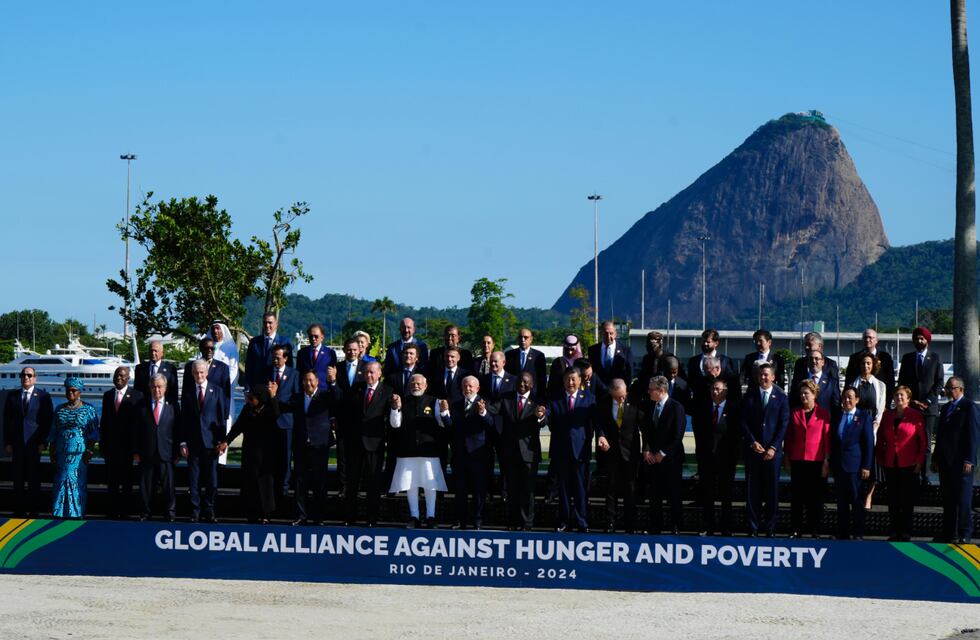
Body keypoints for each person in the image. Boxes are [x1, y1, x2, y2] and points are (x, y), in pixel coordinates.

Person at [489, 372, 547, 530]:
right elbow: (492, 409)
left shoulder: (537, 402)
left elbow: (543, 422)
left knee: (528, 491)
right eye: (520, 382)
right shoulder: (506, 398)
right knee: (512, 490)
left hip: (529, 454)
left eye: (526, 382)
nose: (522, 385)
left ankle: (527, 523)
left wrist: (540, 416)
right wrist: (481, 408)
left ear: (532, 384)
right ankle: (512, 522)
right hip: (509, 453)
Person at [337, 361, 392, 527]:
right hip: (355, 443)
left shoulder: (387, 391)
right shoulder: (357, 388)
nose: (369, 375)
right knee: (352, 483)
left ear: (379, 374)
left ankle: (371, 519)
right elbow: (347, 412)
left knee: (373, 482)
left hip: (374, 443)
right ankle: (349, 517)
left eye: (372, 372)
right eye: (367, 372)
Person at [389, 374, 447, 528]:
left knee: (430, 483)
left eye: (419, 383)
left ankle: (430, 516)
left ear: (425, 385)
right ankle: (414, 516)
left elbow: (442, 423)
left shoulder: (434, 401)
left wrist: (443, 412)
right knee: (411, 484)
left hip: (428, 450)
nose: (416, 385)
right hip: (408, 450)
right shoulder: (402, 401)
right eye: (413, 383)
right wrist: (395, 408)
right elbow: (395, 424)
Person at [740, 362, 789, 536]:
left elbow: (783, 425)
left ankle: (770, 528)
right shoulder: (750, 396)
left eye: (767, 375)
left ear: (773, 377)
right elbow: (743, 422)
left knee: (772, 492)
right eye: (761, 375)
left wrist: (774, 447)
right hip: (753, 451)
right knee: (752, 491)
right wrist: (752, 442)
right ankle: (753, 527)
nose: (763, 377)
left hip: (772, 454)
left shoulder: (782, 397)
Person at [217, 387, 280, 523]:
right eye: (248, 398)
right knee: (249, 484)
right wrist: (226, 441)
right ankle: (251, 513)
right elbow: (238, 427)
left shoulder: (269, 409)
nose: (249, 401)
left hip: (265, 455)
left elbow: (276, 415)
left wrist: (273, 396)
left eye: (252, 398)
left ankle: (265, 514)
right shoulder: (247, 410)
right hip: (249, 453)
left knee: (265, 486)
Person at [545, 368, 596, 533]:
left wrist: (601, 436)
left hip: (580, 452)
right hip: (561, 452)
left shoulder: (589, 398)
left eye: (574, 379)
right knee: (564, 490)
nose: (571, 382)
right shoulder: (555, 399)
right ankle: (564, 521)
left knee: (581, 489)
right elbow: (547, 416)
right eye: (568, 379)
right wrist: (541, 415)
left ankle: (582, 522)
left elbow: (596, 422)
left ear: (580, 380)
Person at [442, 376, 493, 529]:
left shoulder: (484, 402)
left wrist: (483, 412)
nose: (467, 389)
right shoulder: (456, 405)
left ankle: (477, 520)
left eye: (470, 386)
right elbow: (451, 428)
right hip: (460, 455)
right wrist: (445, 414)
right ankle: (460, 520)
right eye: (465, 386)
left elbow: (491, 424)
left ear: (477, 388)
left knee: (478, 491)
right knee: (460, 491)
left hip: (478, 455)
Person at [180, 359, 228, 522]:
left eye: (201, 372)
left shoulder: (218, 391)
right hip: (193, 443)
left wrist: (223, 441)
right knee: (194, 481)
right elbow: (183, 420)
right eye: (196, 372)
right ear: (192, 373)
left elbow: (221, 419)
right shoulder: (187, 394)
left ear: (207, 373)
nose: (199, 375)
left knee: (212, 481)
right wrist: (183, 442)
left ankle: (210, 510)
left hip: (212, 443)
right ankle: (195, 511)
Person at [877, 385, 927, 541]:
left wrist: (919, 462)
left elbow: (923, 442)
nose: (899, 398)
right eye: (896, 395)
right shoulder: (887, 416)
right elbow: (880, 439)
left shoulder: (916, 416)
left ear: (908, 398)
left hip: (909, 464)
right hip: (890, 464)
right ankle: (894, 530)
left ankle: (905, 531)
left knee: (906, 500)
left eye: (902, 395)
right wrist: (880, 458)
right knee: (893, 500)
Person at [932, 376, 979, 543]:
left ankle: (965, 532)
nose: (948, 390)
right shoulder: (945, 409)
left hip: (962, 462)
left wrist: (969, 459)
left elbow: (973, 436)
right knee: (948, 498)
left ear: (961, 389)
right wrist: (936, 457)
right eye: (947, 387)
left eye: (951, 388)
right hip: (946, 461)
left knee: (963, 499)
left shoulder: (969, 407)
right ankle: (949, 531)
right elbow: (940, 436)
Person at [595, 379, 645, 533]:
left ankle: (630, 524)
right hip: (611, 452)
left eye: (623, 396)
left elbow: (645, 426)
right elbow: (599, 423)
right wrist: (601, 436)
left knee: (630, 489)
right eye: (617, 397)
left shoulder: (636, 401)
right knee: (611, 489)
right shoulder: (604, 402)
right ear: (611, 393)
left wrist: (647, 448)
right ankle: (610, 523)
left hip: (631, 452)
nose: (621, 399)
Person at [692, 378, 740, 536]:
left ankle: (726, 527)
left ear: (725, 391)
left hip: (726, 459)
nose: (715, 392)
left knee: (726, 495)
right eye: (713, 389)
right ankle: (709, 526)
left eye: (718, 389)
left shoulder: (734, 410)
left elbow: (736, 436)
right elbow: (698, 433)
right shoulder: (702, 408)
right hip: (707, 459)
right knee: (708, 494)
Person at [4, 367, 53, 517]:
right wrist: (7, 442)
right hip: (17, 444)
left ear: (35, 378)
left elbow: (47, 421)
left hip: (34, 444)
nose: (26, 377)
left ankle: (33, 510)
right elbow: (6, 421)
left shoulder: (43, 397)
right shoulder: (12, 396)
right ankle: (18, 510)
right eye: (23, 375)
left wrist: (43, 442)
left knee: (33, 478)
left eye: (29, 375)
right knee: (17, 479)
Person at [47, 377, 99, 519]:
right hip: (61, 453)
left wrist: (89, 450)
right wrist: (51, 451)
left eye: (73, 390)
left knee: (76, 482)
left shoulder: (88, 409)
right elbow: (53, 431)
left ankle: (76, 513)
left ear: (79, 392)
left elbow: (93, 433)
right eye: (68, 390)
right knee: (60, 482)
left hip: (79, 454)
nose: (70, 393)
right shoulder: (59, 409)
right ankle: (58, 513)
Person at [897, 327, 944, 483]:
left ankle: (926, 475)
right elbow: (902, 382)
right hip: (911, 407)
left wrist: (928, 401)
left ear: (927, 340)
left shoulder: (936, 358)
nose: (919, 341)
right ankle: (912, 473)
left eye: (922, 338)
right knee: (910, 440)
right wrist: (911, 401)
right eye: (916, 338)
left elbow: (939, 383)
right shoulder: (907, 358)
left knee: (927, 443)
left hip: (929, 408)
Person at [784, 380, 831, 538]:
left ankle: (815, 529)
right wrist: (787, 458)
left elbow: (826, 439)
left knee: (815, 498)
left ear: (814, 395)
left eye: (807, 393)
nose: (803, 396)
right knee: (797, 497)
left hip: (816, 462)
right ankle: (795, 528)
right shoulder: (795, 412)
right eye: (801, 393)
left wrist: (826, 461)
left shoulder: (823, 414)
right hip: (798, 460)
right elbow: (789, 437)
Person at [642, 375, 687, 535]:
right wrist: (646, 449)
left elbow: (678, 434)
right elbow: (646, 430)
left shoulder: (676, 407)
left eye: (651, 389)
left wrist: (663, 453)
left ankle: (676, 525)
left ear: (661, 390)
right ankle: (655, 525)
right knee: (655, 495)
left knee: (673, 494)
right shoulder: (650, 406)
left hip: (671, 460)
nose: (648, 392)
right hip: (653, 459)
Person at [292, 370, 335, 526]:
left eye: (311, 380)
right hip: (301, 445)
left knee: (319, 483)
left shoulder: (325, 396)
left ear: (317, 381)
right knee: (300, 482)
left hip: (319, 446)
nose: (308, 383)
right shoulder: (297, 398)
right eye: (305, 380)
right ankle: (301, 516)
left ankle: (319, 517)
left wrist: (333, 382)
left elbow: (337, 398)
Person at [831, 387, 875, 539]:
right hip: (839, 466)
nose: (847, 400)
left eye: (850, 397)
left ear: (857, 399)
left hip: (856, 467)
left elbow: (869, 443)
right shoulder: (837, 416)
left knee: (856, 502)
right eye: (844, 397)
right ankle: (842, 533)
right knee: (841, 503)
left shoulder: (863, 416)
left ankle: (858, 533)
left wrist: (867, 466)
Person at [100, 366, 144, 518]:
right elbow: (104, 422)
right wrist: (103, 445)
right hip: (111, 447)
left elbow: (139, 424)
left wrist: (137, 448)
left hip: (128, 448)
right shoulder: (107, 395)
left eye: (122, 376)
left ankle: (125, 512)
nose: (119, 378)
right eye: (116, 375)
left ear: (128, 378)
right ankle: (111, 511)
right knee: (112, 482)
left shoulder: (138, 396)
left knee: (127, 482)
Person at [136, 374, 179, 522]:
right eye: (154, 386)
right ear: (150, 387)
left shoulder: (173, 405)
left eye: (160, 386)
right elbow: (135, 430)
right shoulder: (141, 405)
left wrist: (177, 451)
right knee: (146, 486)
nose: (157, 389)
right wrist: (136, 451)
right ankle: (145, 513)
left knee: (168, 486)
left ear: (165, 388)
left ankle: (170, 513)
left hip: (166, 452)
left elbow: (177, 430)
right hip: (146, 452)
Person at [848, 351, 886, 510]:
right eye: (863, 363)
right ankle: (856, 495)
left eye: (869, 363)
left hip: (873, 424)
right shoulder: (853, 384)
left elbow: (881, 407)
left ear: (873, 365)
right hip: (857, 423)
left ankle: (869, 495)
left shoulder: (880, 385)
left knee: (873, 463)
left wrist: (876, 425)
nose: (866, 366)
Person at [266, 345, 301, 497]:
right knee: (270, 456)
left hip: (287, 422)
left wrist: (276, 399)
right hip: (269, 423)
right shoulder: (266, 373)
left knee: (286, 456)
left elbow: (296, 399)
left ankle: (284, 487)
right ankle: (271, 487)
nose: (275, 360)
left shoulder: (294, 374)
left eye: (278, 358)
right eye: (273, 357)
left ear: (286, 358)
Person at [207, 321, 240, 460]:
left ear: (223, 331)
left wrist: (223, 387)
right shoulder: (207, 346)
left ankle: (221, 460)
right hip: (207, 393)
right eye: (213, 329)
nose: (216, 332)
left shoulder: (230, 347)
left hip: (224, 393)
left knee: (223, 424)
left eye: (218, 329)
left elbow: (233, 370)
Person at [845, 328, 896, 406]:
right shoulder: (854, 358)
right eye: (865, 337)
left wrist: (887, 403)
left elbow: (890, 382)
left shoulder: (886, 358)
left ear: (876, 340)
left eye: (870, 337)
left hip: (880, 401)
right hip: (859, 402)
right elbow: (849, 380)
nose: (867, 340)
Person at [244, 313, 294, 391]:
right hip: (257, 388)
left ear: (276, 324)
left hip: (278, 387)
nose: (267, 325)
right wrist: (247, 388)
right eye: (265, 322)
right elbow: (249, 367)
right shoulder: (254, 342)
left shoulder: (285, 342)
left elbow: (290, 367)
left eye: (270, 323)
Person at [687, 329, 736, 395]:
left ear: (716, 343)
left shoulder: (725, 361)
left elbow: (732, 382)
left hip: (719, 400)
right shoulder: (693, 361)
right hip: (699, 401)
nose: (705, 344)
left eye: (708, 342)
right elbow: (690, 382)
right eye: (703, 341)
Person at [504, 328, 548, 401]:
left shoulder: (539, 356)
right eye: (520, 337)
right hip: (513, 397)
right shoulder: (509, 355)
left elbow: (542, 379)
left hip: (532, 397)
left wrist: (541, 398)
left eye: (525, 337)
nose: (523, 340)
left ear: (531, 339)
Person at [588, 321, 633, 390]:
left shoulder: (625, 350)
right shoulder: (593, 350)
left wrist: (626, 390)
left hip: (618, 392)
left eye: (611, 333)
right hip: (598, 392)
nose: (608, 336)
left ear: (615, 334)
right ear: (601, 334)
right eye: (606, 333)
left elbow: (629, 373)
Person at [634, 331, 681, 396]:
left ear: (660, 345)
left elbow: (679, 380)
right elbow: (642, 377)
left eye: (652, 346)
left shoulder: (670, 359)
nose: (648, 349)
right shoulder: (646, 359)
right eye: (647, 346)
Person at [134, 340, 179, 407]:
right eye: (151, 351)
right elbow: (137, 390)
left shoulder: (170, 369)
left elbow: (173, 391)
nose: (153, 353)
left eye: (155, 351)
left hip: (164, 407)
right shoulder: (140, 368)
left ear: (162, 353)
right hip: (144, 407)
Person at [800, 350, 841, 418]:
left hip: (824, 423)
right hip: (803, 423)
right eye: (811, 359)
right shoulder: (800, 381)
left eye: (816, 358)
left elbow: (836, 406)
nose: (813, 361)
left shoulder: (832, 383)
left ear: (822, 362)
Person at [296, 323, 337, 388]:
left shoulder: (330, 353)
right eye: (311, 336)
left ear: (322, 337)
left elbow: (333, 374)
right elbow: (298, 374)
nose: (313, 338)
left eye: (316, 336)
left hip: (324, 392)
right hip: (306, 391)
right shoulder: (301, 353)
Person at [548, 335, 583, 400]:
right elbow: (551, 384)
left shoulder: (581, 363)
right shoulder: (557, 362)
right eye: (567, 349)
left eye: (572, 349)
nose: (570, 352)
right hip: (560, 399)